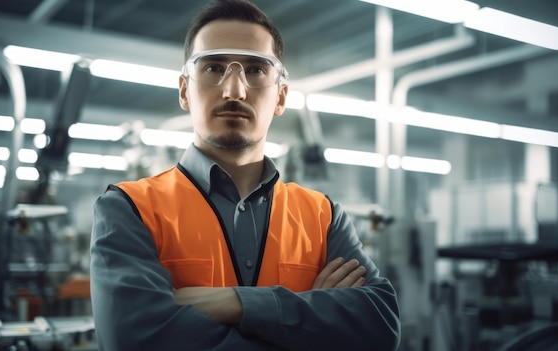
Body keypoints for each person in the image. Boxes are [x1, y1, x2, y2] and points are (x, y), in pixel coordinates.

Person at [89, 0, 401, 350]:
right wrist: (308, 320)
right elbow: (134, 340)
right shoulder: (129, 208)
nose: (233, 90)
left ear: (281, 96)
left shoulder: (323, 216)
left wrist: (233, 303)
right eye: (212, 68)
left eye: (255, 70)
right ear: (183, 91)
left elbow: (380, 328)